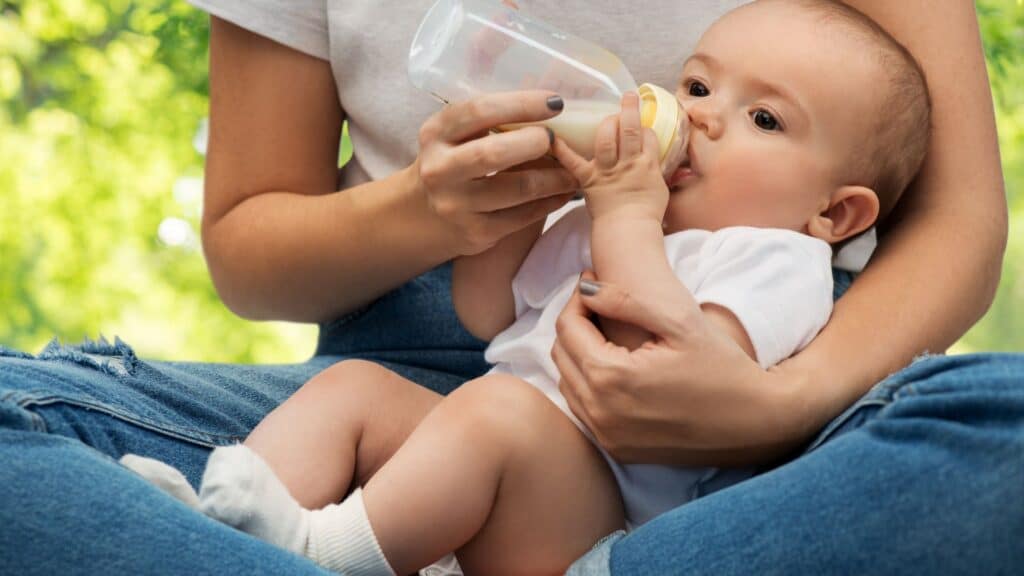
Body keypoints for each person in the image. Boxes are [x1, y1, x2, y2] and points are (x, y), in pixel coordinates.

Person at [0, 0, 1018, 574]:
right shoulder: (609, 215)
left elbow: (649, 361)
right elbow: (489, 315)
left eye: (761, 120)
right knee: (351, 399)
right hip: (435, 363)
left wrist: (774, 400)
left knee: (1002, 428)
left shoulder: (774, 260)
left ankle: (340, 554)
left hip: (655, 470)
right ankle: (230, 529)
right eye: (701, 87)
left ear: (835, 214)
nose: (701, 117)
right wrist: (472, 214)